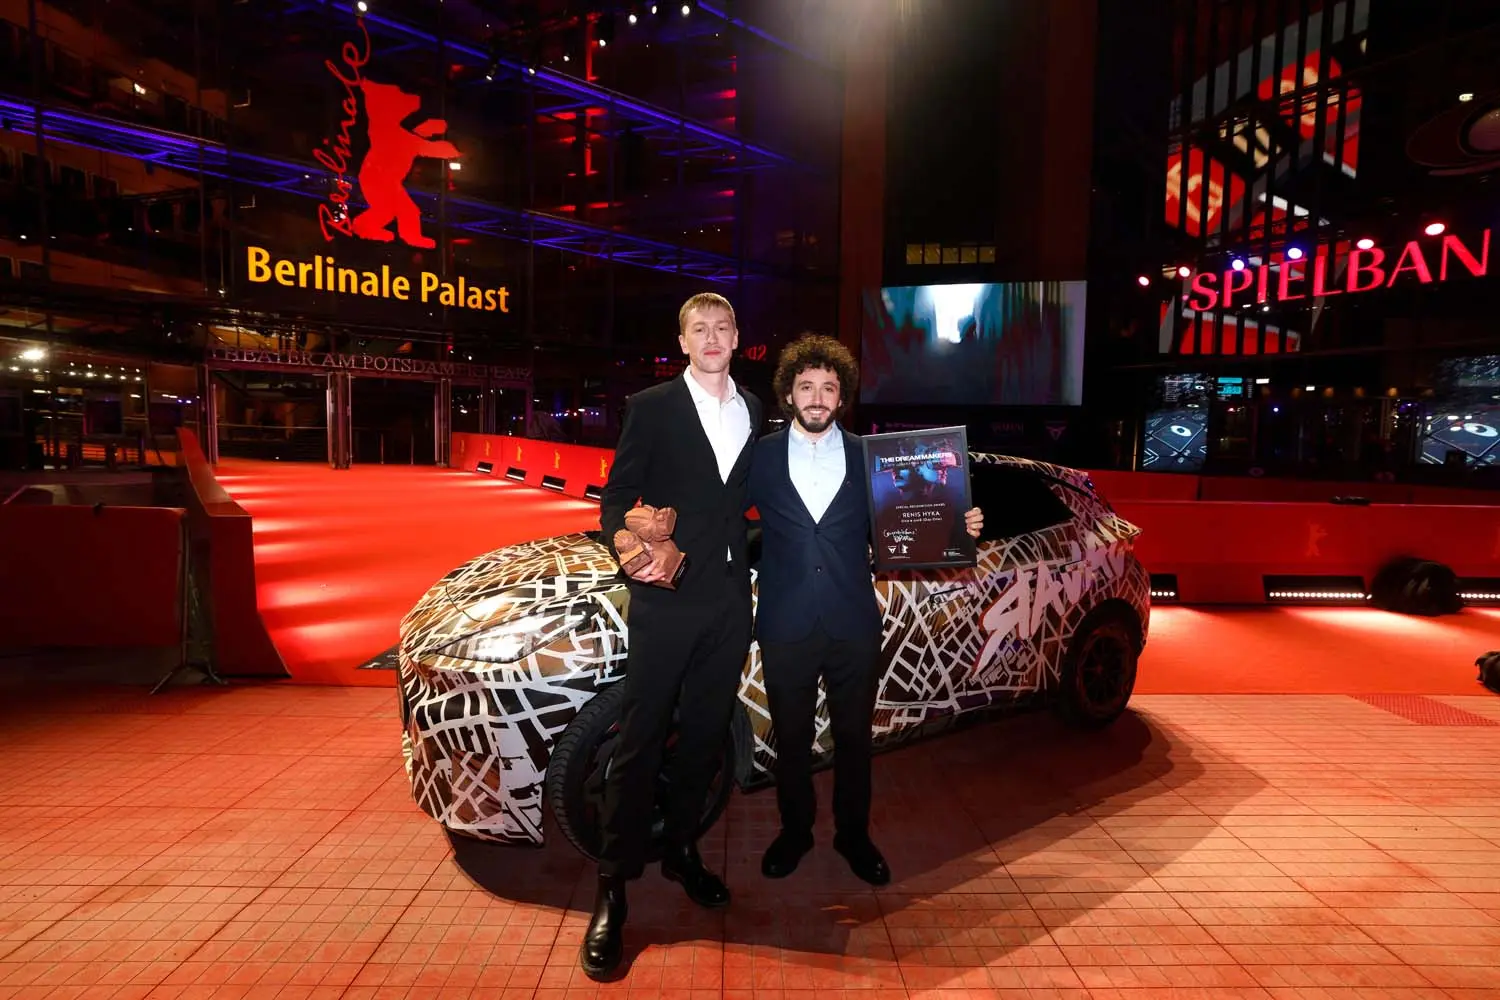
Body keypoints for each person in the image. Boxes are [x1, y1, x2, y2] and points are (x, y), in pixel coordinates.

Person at [746, 334, 982, 885]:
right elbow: (724, 517)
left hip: (853, 622)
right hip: (785, 623)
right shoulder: (759, 456)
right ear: (788, 393)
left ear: (843, 396)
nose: (817, 397)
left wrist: (958, 526)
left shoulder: (873, 457)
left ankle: (853, 836)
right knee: (791, 739)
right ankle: (795, 831)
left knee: (855, 739)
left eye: (829, 387)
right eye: (806, 386)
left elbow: (909, 523)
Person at [583, 292, 763, 980]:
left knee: (705, 736)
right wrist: (629, 552)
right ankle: (613, 886)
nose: (711, 337)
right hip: (665, 598)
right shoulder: (652, 406)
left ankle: (683, 850)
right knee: (640, 738)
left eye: (722, 327)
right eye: (699, 329)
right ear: (682, 341)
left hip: (729, 602)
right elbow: (615, 498)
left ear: (737, 337)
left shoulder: (756, 412)